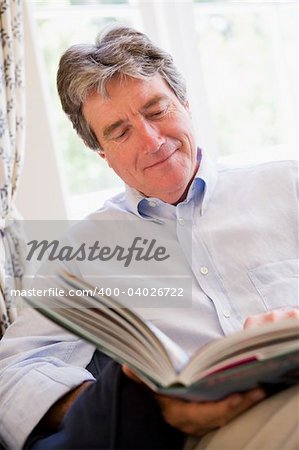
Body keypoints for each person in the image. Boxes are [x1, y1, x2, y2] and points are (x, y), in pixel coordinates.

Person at [0, 24, 298, 450]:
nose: (152, 141)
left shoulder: (288, 185)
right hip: (212, 432)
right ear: (104, 156)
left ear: (186, 104)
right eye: (120, 132)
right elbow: (12, 375)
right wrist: (143, 404)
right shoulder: (80, 252)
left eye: (157, 111)